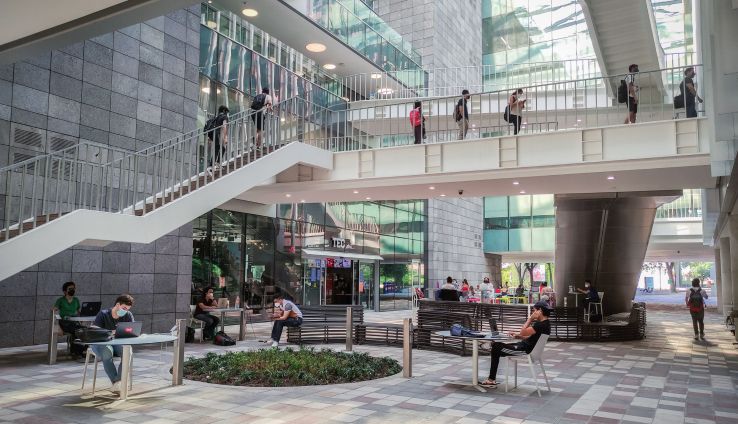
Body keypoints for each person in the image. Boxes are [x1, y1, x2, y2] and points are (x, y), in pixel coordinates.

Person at [481, 301, 551, 388]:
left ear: (539, 311)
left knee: (496, 347)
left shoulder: (540, 325)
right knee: (497, 346)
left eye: (534, 310)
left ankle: (491, 378)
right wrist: (518, 336)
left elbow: (523, 331)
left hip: (524, 350)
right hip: (524, 346)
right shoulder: (546, 324)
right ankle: (490, 348)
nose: (533, 313)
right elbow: (531, 338)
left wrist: (530, 319)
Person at [92, 294, 134, 394]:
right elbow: (94, 330)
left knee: (128, 352)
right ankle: (117, 383)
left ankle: (117, 382)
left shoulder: (128, 315)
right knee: (107, 352)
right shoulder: (103, 314)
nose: (125, 311)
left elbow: (132, 329)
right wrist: (111, 332)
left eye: (127, 309)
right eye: (124, 308)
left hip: (118, 342)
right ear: (118, 305)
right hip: (101, 343)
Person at [53, 281, 85, 358]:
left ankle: (79, 351)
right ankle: (77, 352)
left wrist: (82, 319)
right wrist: (57, 326)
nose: (72, 290)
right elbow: (53, 312)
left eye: (73, 288)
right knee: (78, 330)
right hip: (64, 323)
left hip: (74, 322)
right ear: (65, 291)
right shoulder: (61, 300)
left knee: (84, 330)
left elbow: (79, 312)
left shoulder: (76, 300)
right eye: (70, 289)